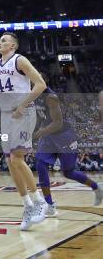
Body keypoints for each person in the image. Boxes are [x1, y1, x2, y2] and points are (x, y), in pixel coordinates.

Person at [0, 32, 47, 231]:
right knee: (10, 161)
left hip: (23, 112)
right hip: (6, 115)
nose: (0, 42)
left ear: (13, 46)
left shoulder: (20, 60)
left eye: (5, 40)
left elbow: (41, 84)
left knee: (16, 158)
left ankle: (40, 201)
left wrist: (24, 104)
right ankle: (28, 206)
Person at [33, 75, 102, 216]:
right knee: (40, 165)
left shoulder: (50, 96)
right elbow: (43, 117)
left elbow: (57, 122)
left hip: (64, 137)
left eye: (35, 78)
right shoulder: (32, 94)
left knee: (68, 172)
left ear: (43, 81)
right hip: (49, 137)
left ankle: (96, 187)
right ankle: (49, 205)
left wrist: (40, 132)